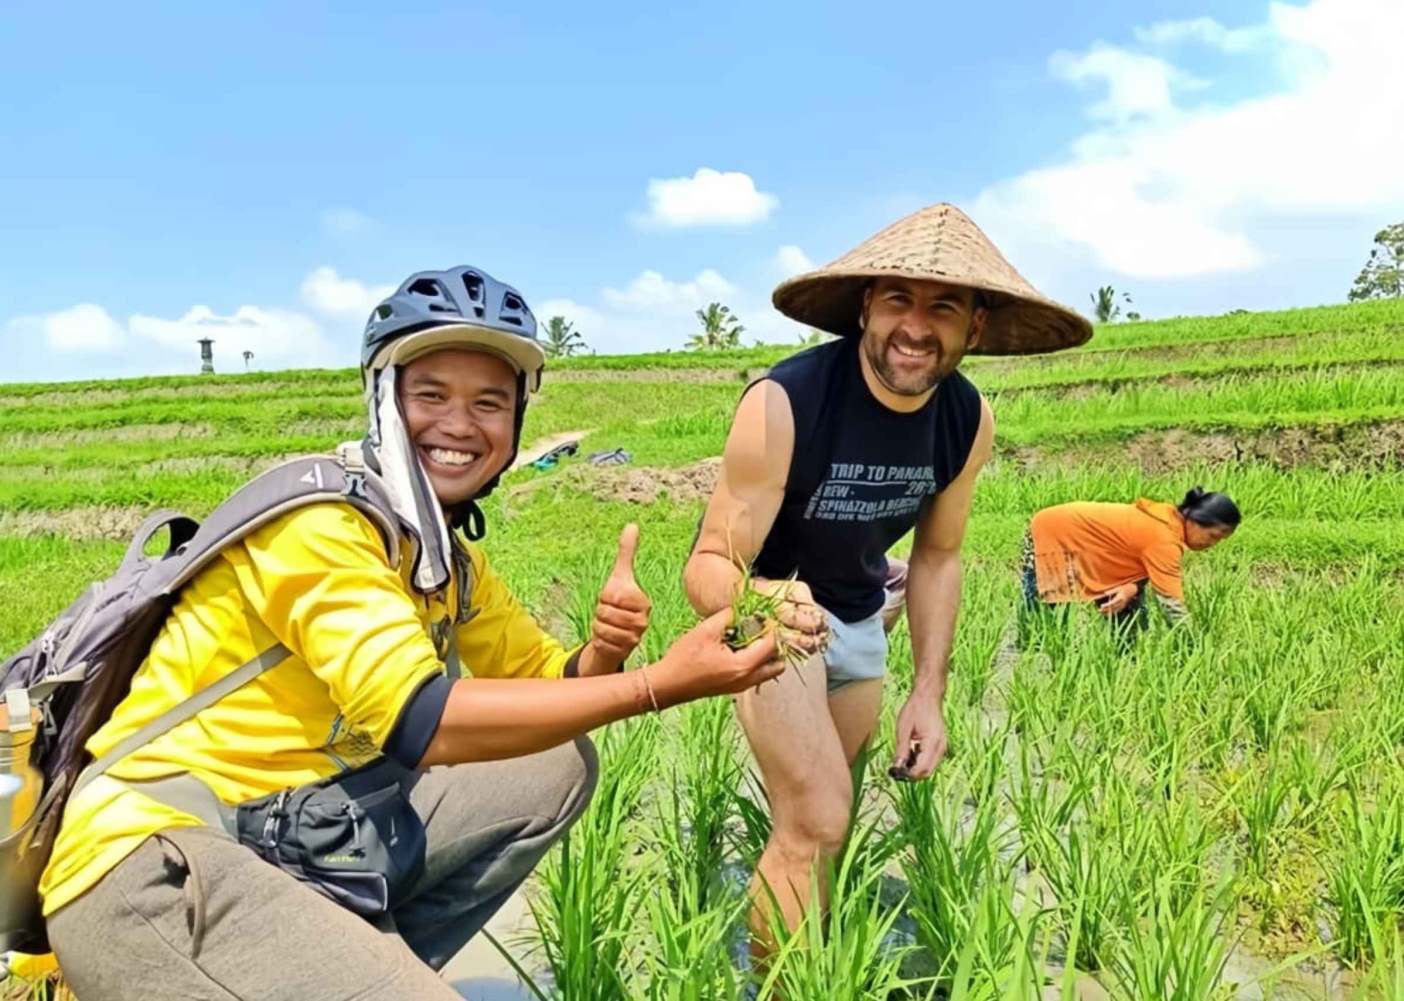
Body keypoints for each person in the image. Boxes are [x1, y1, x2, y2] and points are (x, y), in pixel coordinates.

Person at [39, 267, 784, 1000]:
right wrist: (655, 685)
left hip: (280, 837)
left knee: (555, 765)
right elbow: (417, 720)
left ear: (516, 421)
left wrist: (606, 652)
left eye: (489, 402)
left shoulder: (440, 559)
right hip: (151, 867)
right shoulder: (321, 525)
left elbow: (551, 688)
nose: (460, 424)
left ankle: (353, 964)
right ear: (384, 402)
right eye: (431, 395)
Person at [682, 204, 1091, 962]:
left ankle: (812, 953)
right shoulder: (787, 402)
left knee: (824, 824)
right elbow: (708, 565)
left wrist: (927, 691)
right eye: (898, 299)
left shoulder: (967, 418)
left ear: (975, 328)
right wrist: (766, 600)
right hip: (776, 616)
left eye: (943, 307)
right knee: (816, 814)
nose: (915, 325)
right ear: (865, 305)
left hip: (861, 616)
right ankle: (780, 984)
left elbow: (938, 556)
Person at [1021, 487, 1241, 637]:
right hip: (1052, 534)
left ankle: (1124, 656)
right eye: (1212, 536)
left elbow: (1133, 553)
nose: (1212, 544)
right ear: (1195, 521)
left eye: (1220, 540)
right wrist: (1195, 647)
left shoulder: (1168, 519)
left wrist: (1130, 587)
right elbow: (1172, 605)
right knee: (1043, 618)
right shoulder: (1165, 539)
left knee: (1128, 609)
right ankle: (1030, 654)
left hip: (1092, 547)